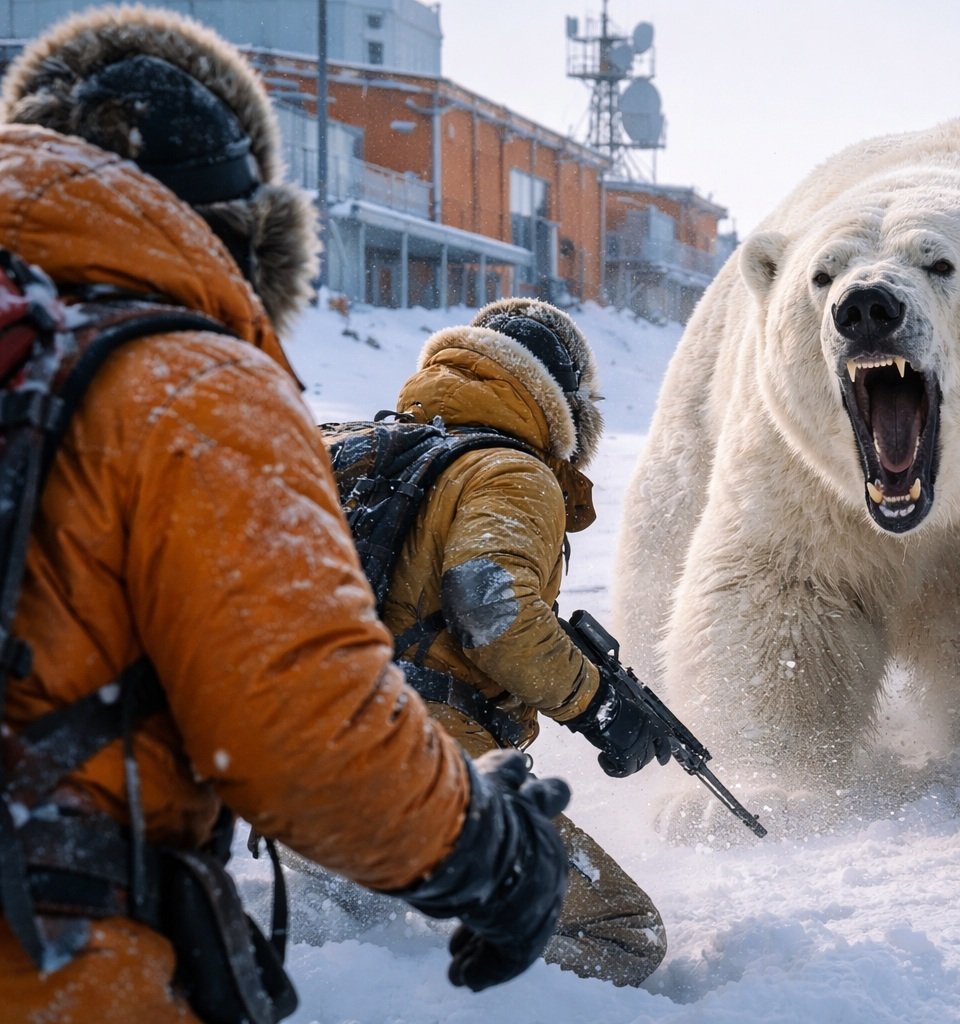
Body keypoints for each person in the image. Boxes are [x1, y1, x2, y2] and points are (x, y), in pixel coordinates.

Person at [0, 7, 570, 1020]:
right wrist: (488, 846)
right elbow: (303, 727)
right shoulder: (187, 388)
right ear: (246, 234)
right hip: (49, 956)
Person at [334, 297, 674, 987]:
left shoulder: (363, 449)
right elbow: (494, 610)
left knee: (343, 928)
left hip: (291, 744)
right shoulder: (510, 470)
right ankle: (442, 1001)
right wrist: (597, 703)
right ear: (570, 409)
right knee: (621, 933)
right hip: (416, 752)